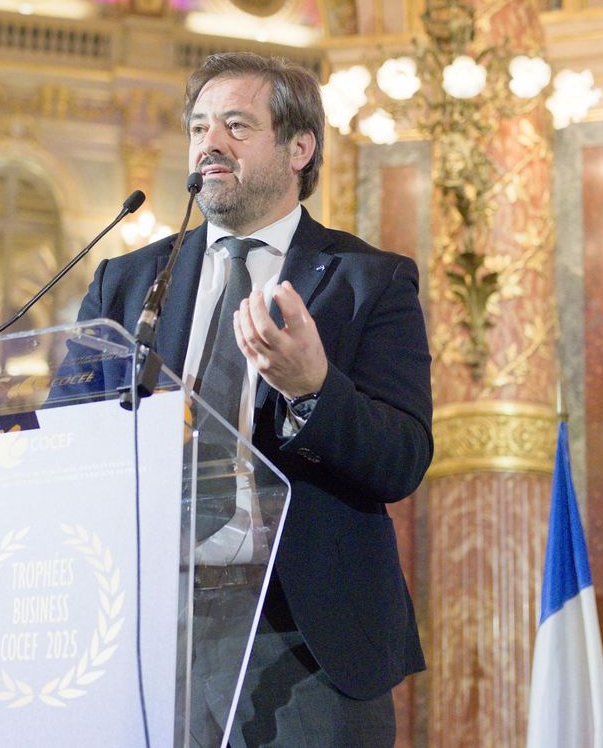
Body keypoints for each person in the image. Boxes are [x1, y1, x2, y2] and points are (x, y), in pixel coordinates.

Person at [73, 52, 431, 746]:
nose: (210, 143)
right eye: (199, 127)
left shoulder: (368, 281)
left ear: (299, 149)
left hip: (301, 636)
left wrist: (314, 389)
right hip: (151, 621)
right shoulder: (126, 282)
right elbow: (71, 438)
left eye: (236, 125)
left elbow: (403, 459)